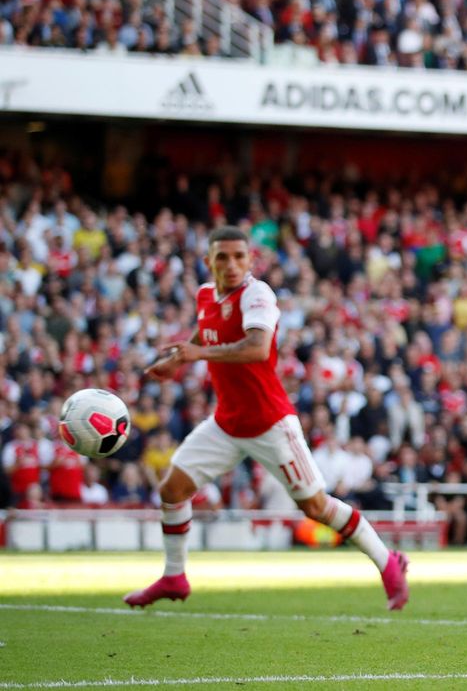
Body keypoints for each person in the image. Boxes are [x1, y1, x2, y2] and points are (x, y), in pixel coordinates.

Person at [125, 227, 409, 610]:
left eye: (239, 256)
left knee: (316, 507)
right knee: (172, 489)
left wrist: (197, 355)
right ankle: (175, 576)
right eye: (222, 257)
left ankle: (387, 562)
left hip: (271, 423)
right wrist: (180, 357)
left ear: (250, 260)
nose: (231, 264)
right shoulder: (205, 295)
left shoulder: (258, 295)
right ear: (208, 261)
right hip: (227, 424)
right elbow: (206, 331)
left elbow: (258, 349)